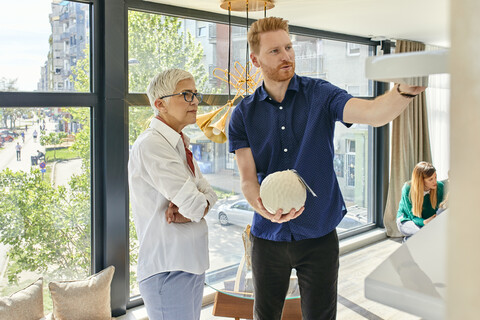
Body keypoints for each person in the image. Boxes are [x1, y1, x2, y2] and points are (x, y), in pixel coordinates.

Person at [228, 17, 426, 320]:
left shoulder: (320, 94)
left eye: (289, 47)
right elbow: (246, 178)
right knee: (264, 316)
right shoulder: (242, 114)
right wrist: (264, 209)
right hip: (267, 236)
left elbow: (373, 114)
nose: (287, 56)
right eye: (275, 51)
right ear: (255, 59)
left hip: (319, 234)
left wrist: (403, 91)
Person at [128, 69, 217, 320]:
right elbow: (195, 205)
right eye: (186, 94)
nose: (196, 101)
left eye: (195, 94)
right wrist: (197, 206)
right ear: (160, 104)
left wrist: (200, 204)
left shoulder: (179, 143)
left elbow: (207, 195)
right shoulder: (152, 144)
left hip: (188, 265)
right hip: (168, 270)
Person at [397, 162, 445, 240]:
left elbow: (438, 210)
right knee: (424, 233)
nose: (435, 181)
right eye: (430, 179)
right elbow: (412, 217)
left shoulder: (439, 187)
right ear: (421, 181)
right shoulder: (408, 189)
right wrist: (425, 222)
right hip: (406, 220)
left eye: (435, 177)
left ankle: (409, 240)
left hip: (427, 222)